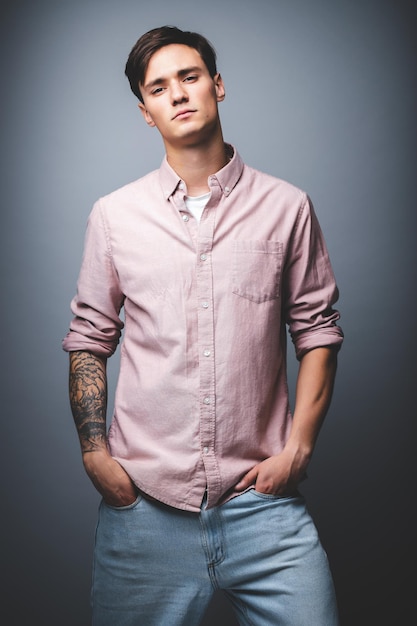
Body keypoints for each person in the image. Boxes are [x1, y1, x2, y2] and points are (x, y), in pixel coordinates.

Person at [63, 25, 344, 626]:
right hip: (144, 511)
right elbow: (89, 340)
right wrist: (94, 453)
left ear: (217, 84)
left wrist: (298, 450)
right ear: (146, 112)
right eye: (159, 88)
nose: (178, 94)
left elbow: (317, 331)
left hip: (262, 507)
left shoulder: (287, 206)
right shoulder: (114, 218)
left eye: (189, 77)